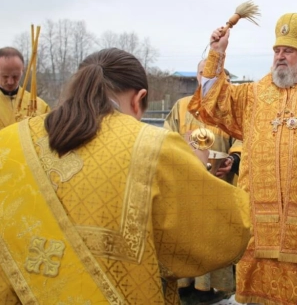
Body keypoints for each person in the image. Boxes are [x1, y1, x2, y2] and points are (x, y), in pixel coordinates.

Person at [0, 48, 251, 304]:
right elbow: (224, 235)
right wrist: (198, 170)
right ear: (138, 99)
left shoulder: (7, 142)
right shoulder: (154, 147)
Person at [188, 11, 297, 305]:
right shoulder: (254, 94)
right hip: (261, 217)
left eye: (288, 51)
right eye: (277, 50)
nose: (280, 56)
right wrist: (216, 53)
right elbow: (215, 102)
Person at [165, 59, 242, 304]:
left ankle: (216, 288)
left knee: (215, 237)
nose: (205, 76)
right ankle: (185, 284)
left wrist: (233, 158)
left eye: (212, 73)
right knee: (187, 236)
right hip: (186, 186)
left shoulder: (230, 108)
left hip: (220, 186)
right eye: (202, 72)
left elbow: (244, 139)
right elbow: (167, 137)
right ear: (198, 76)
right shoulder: (182, 106)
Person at [0, 46, 50, 130]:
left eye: (15, 76)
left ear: (22, 70)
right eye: (5, 76)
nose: (10, 81)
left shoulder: (39, 106)